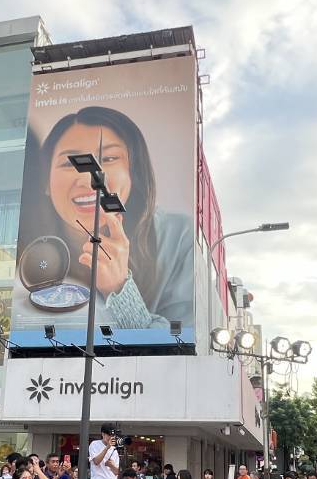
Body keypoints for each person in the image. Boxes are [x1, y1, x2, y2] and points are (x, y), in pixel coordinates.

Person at [19, 104, 195, 329]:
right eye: (69, 162)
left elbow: (176, 348)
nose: (89, 179)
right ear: (45, 181)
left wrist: (119, 287)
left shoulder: (179, 236)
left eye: (109, 158)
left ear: (134, 173)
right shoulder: (25, 254)